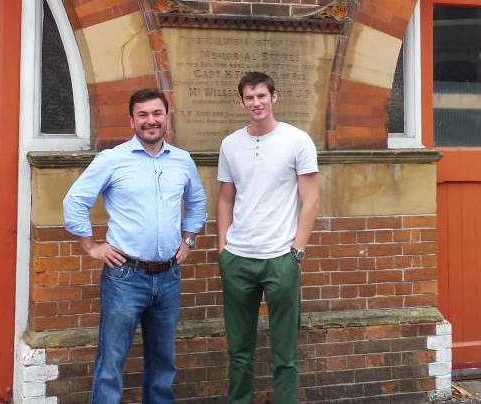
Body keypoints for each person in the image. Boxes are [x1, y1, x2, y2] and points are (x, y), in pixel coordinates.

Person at [63, 88, 207, 404]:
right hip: (125, 278)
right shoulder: (112, 160)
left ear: (167, 117)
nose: (150, 121)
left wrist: (189, 239)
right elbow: (75, 201)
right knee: (112, 363)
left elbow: (197, 203)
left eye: (157, 114)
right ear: (132, 120)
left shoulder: (182, 161)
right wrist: (91, 246)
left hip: (169, 278)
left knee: (163, 363)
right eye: (142, 115)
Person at [217, 72, 320, 404]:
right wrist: (223, 247)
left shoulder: (297, 140)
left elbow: (311, 198)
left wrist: (298, 250)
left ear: (274, 97)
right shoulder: (230, 144)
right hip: (239, 259)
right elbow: (225, 198)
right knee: (239, 350)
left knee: (286, 352)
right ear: (242, 102)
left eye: (262, 96)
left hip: (281, 259)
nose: (256, 103)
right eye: (249, 98)